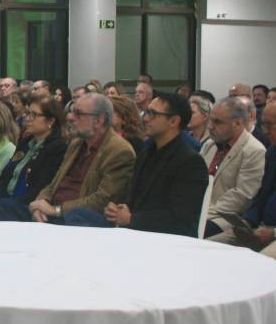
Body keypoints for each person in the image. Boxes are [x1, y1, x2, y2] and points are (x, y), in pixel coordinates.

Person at [62, 93, 209, 237]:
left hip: (163, 238)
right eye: (147, 113)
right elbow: (132, 198)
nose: (145, 118)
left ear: (173, 121)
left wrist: (131, 218)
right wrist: (116, 209)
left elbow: (181, 218)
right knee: (79, 215)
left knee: (76, 216)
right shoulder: (147, 153)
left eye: (152, 114)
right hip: (133, 230)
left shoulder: (190, 163)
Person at [208, 98, 276, 277]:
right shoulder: (274, 152)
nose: (265, 130)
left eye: (269, 125)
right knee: (208, 249)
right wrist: (248, 221)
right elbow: (262, 194)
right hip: (267, 227)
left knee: (257, 267)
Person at [0, 94, 136, 223]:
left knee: (78, 216)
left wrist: (56, 210)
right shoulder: (76, 144)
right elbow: (54, 184)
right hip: (53, 211)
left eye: (78, 114)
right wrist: (40, 204)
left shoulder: (119, 151)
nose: (70, 117)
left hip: (80, 217)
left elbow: (102, 200)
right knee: (4, 207)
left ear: (99, 120)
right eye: (72, 112)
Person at [0, 97, 68, 223]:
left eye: (34, 115)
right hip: (6, 202)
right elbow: (5, 176)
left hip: (27, 205)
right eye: (27, 113)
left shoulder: (57, 148)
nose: (28, 119)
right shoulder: (26, 143)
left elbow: (41, 186)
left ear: (51, 120)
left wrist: (0, 202)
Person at [199, 96, 266, 237]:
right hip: (200, 209)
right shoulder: (210, 144)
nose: (210, 126)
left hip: (225, 216)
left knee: (192, 232)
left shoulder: (254, 150)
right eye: (211, 120)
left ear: (238, 123)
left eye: (217, 122)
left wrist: (204, 212)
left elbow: (242, 196)